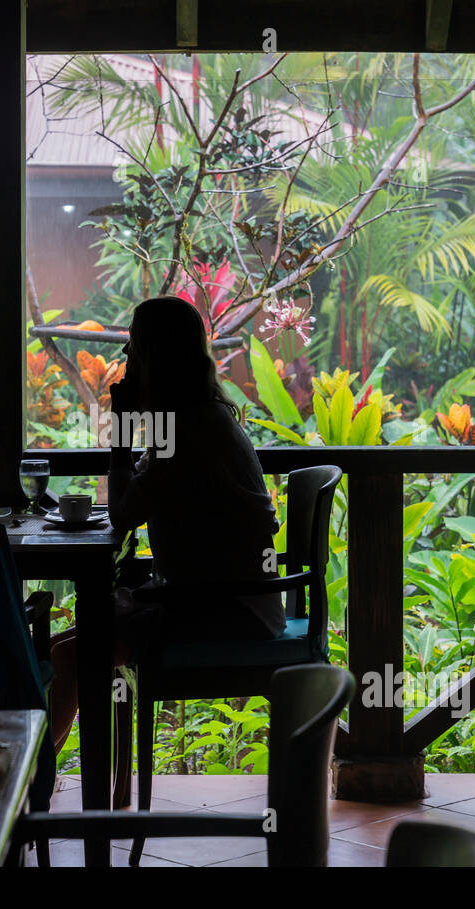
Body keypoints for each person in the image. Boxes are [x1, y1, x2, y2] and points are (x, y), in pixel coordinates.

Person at [47, 296, 283, 751]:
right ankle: (44, 781)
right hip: (230, 602)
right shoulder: (197, 419)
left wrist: (120, 432)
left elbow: (123, 513)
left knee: (71, 655)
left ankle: (35, 786)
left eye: (132, 348)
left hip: (228, 612)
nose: (125, 360)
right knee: (65, 645)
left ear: (156, 357)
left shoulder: (191, 429)